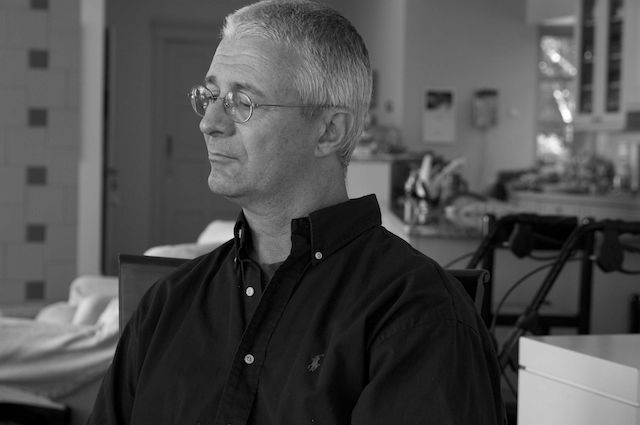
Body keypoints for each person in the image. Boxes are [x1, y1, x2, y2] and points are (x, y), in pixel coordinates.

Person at [89, 1, 505, 424]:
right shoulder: (167, 307)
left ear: (329, 130)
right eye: (210, 96)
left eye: (242, 101)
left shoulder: (418, 318)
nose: (209, 123)